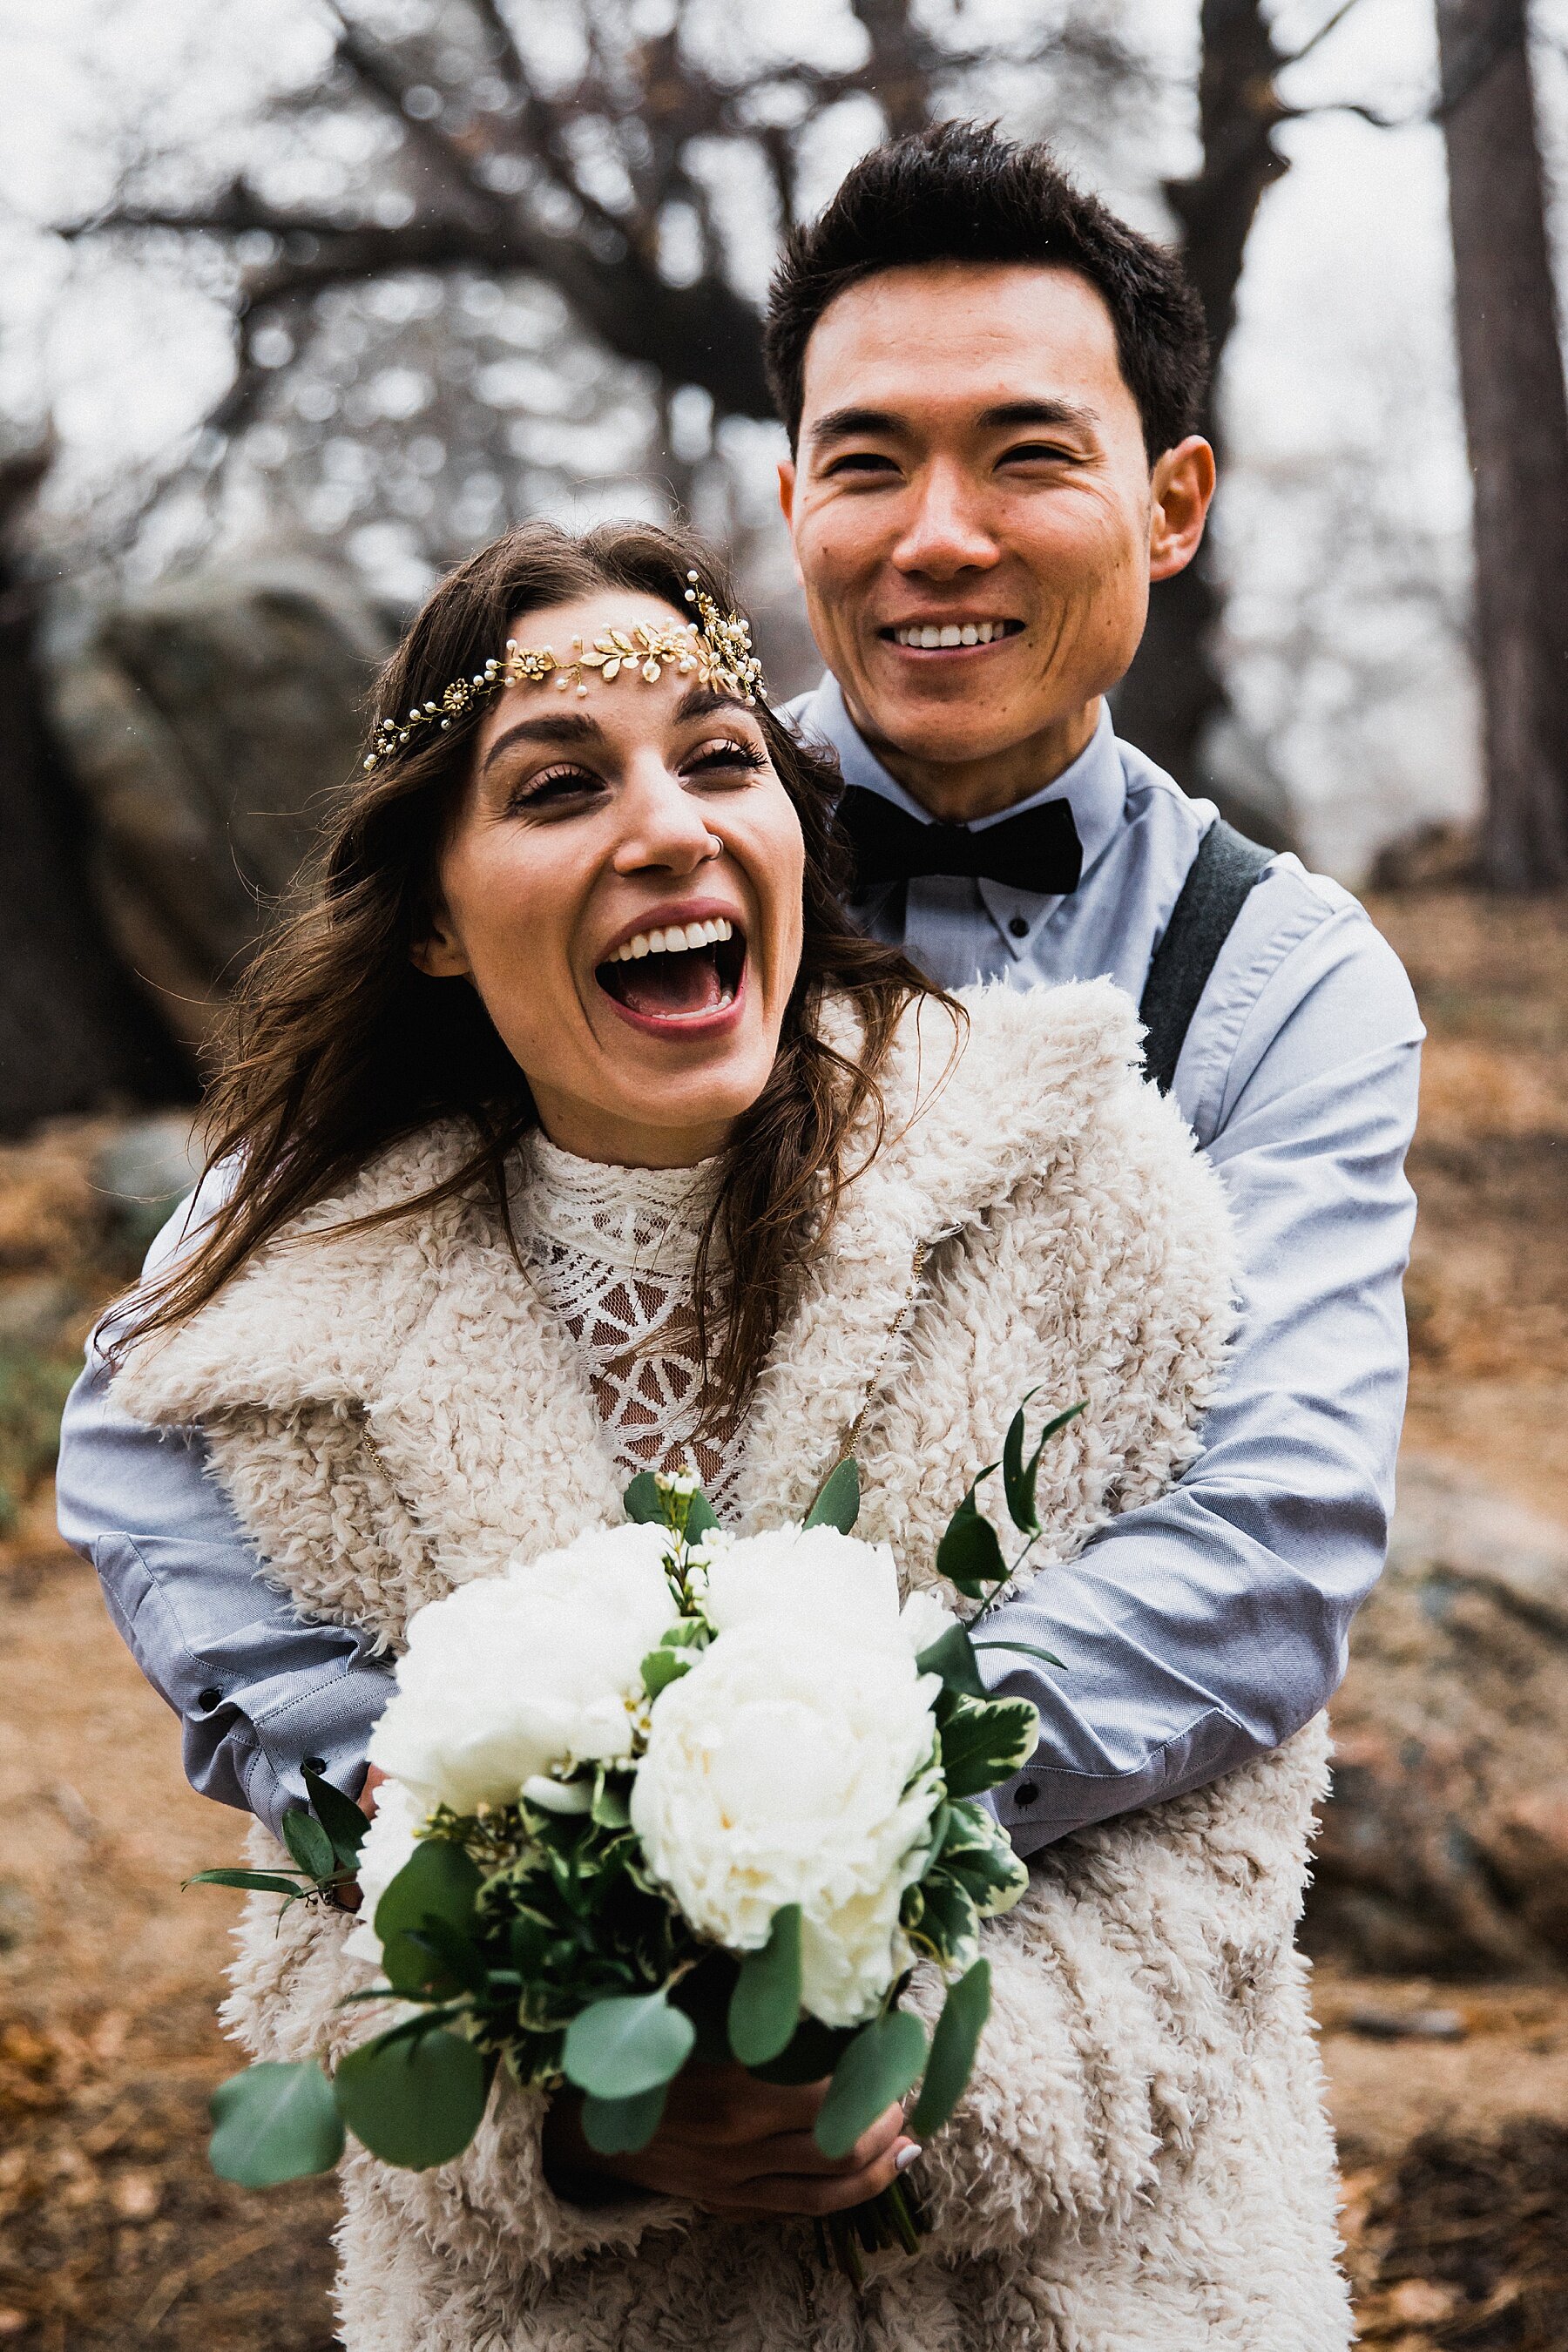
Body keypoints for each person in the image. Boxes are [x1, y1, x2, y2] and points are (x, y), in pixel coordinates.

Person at [58, 122, 1421, 1871]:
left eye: (1025, 454)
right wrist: (461, 1824)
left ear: (1169, 506)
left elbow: (1266, 1546)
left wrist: (789, 1837)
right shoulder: (619, 861)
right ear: (791, 502)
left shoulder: (1283, 984)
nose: (938, 536)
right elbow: (160, 1386)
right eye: (867, 462)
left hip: (1082, 1951)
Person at [97, 517, 1348, 2348]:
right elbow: (321, 1898)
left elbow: (1238, 1795)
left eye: (719, 757)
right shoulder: (300, 1347)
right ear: (437, 919)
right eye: (556, 784)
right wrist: (581, 2123)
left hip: (1090, 2292)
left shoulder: (1081, 1192)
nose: (671, 824)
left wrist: (931, 2088)